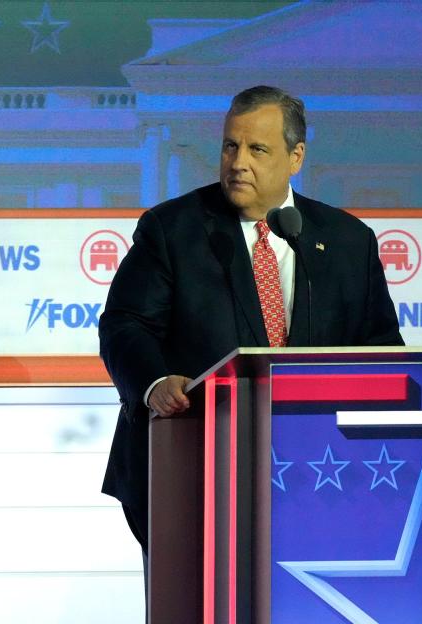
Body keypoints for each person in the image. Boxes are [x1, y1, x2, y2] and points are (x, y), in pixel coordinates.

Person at [99, 86, 403, 576]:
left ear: (295, 157)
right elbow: (125, 324)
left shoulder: (348, 242)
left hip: (320, 474)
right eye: (229, 146)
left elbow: (383, 351)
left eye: (257, 149)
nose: (238, 161)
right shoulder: (172, 229)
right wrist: (155, 383)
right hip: (190, 467)